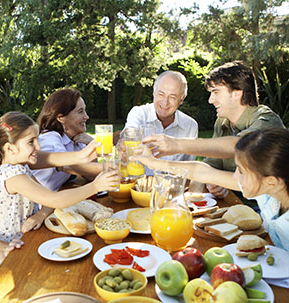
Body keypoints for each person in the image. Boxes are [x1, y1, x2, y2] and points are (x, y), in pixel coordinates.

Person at [0, 71, 104, 302]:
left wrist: (80, 155)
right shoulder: (11, 170)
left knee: (31, 273)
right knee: (4, 294)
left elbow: (32, 157)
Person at [0, 111, 120, 275]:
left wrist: (40, 215)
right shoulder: (12, 176)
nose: (38, 147)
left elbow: (48, 197)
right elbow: (55, 200)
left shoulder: (21, 166)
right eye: (31, 142)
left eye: (37, 140)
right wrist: (95, 186)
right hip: (5, 265)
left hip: (24, 248)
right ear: (10, 148)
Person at [143, 61, 284, 201]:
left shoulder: (266, 118)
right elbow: (208, 165)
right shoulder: (222, 122)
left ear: (237, 93)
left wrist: (177, 145)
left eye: (216, 92)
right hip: (233, 202)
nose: (210, 100)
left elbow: (240, 146)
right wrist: (193, 197)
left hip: (267, 210)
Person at [133, 127, 289, 251]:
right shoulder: (267, 191)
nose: (235, 177)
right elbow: (204, 173)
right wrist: (154, 163)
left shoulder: (266, 189)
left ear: (271, 182)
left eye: (241, 171)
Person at [121, 70, 198, 164]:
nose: (165, 102)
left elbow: (190, 169)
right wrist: (126, 139)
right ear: (154, 92)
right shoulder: (139, 113)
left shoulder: (191, 126)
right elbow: (130, 132)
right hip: (140, 178)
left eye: (172, 97)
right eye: (161, 94)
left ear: (182, 99)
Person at [32, 88, 102, 191]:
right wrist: (114, 167)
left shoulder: (77, 140)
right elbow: (67, 166)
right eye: (80, 111)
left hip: (53, 200)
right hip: (35, 204)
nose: (86, 117)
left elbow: (91, 176)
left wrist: (90, 144)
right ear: (61, 118)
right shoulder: (50, 138)